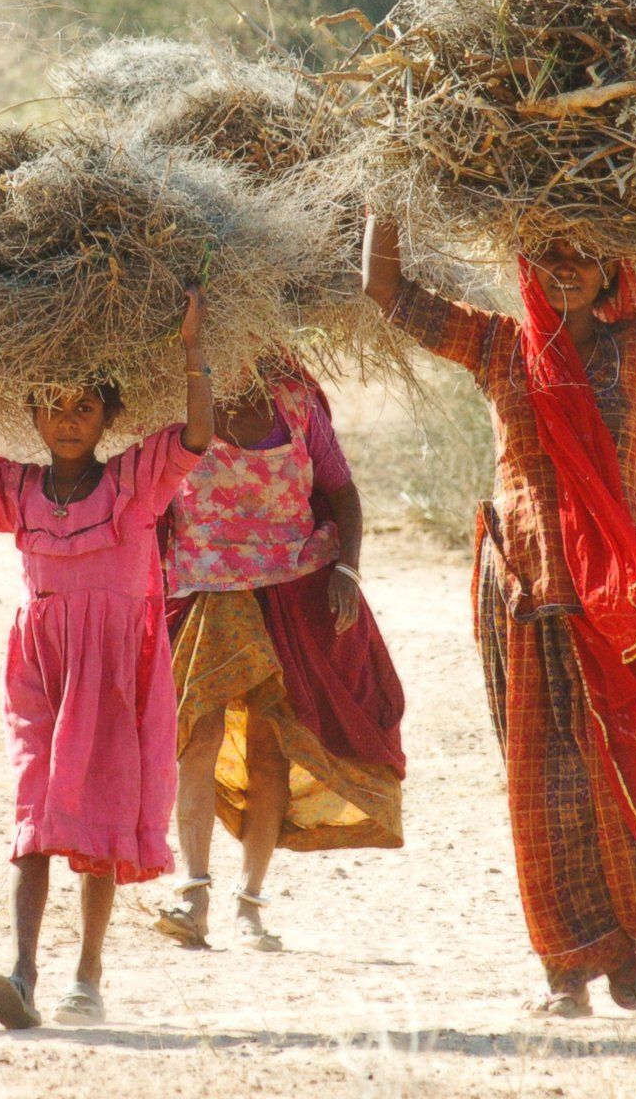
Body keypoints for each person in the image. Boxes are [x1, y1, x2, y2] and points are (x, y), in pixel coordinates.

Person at [362, 189, 636, 1016]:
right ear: (525, 260)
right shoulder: (498, 346)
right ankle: (569, 971)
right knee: (545, 787)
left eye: (584, 254)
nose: (566, 269)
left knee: (635, 770)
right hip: (530, 593)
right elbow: (386, 291)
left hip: (626, 604)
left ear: (611, 268)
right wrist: (387, 190)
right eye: (550, 251)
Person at [0, 290, 214, 1029]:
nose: (68, 420)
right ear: (33, 416)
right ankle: (22, 974)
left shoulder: (135, 482)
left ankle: (87, 974)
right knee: (36, 810)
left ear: (108, 417)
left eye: (83, 408)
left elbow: (198, 436)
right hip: (40, 667)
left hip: (112, 670)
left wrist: (193, 351)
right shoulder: (15, 489)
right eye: (53, 407)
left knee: (97, 811)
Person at [153, 367, 405, 953]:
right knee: (200, 735)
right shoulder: (177, 404)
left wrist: (347, 569)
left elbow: (342, 493)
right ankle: (193, 896)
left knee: (270, 747)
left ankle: (250, 904)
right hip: (207, 588)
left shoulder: (295, 405)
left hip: (290, 590)